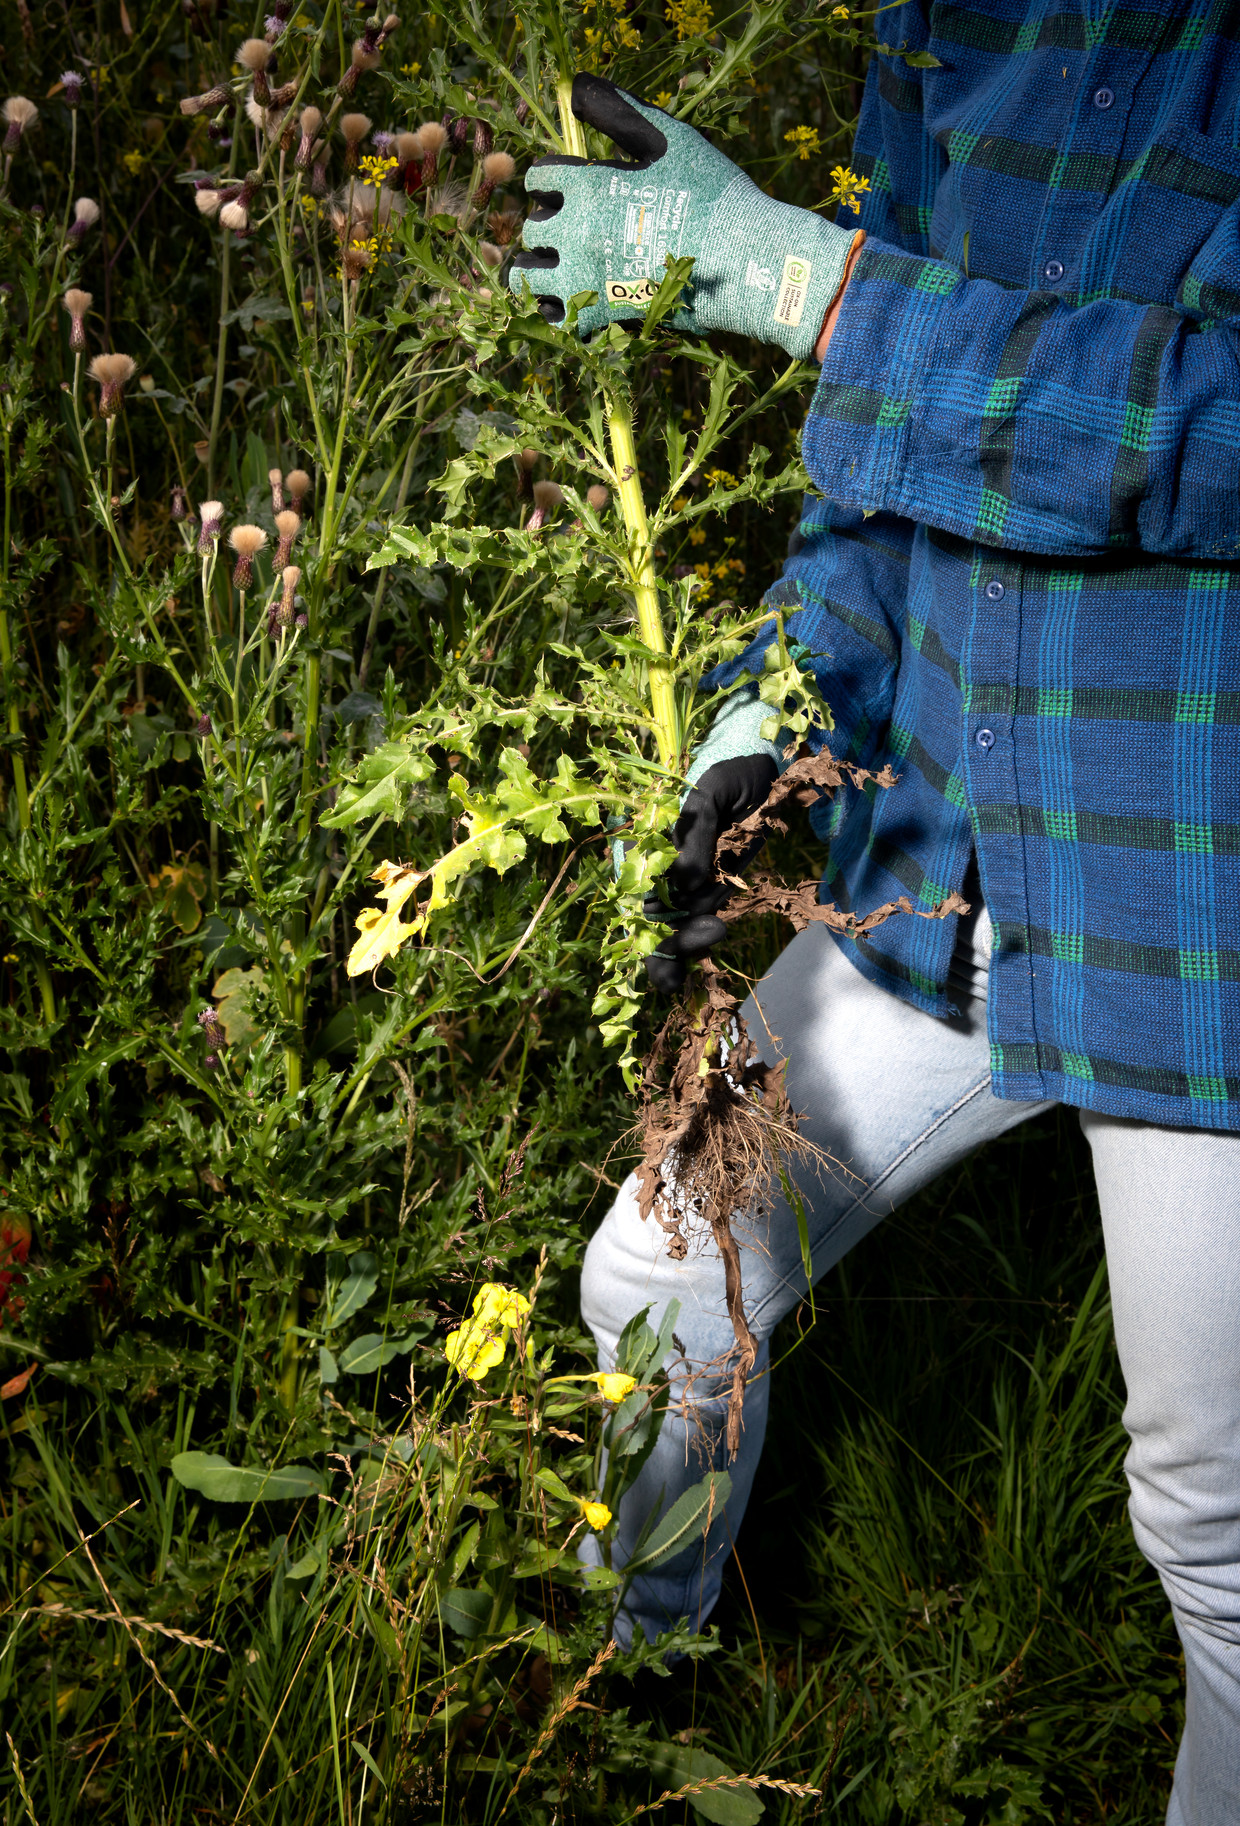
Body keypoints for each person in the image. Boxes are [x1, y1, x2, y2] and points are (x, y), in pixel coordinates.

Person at [509, 9, 1240, 1818]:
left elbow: (1209, 429)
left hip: (1190, 866)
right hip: (945, 822)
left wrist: (817, 287)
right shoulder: (956, 19)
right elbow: (874, 477)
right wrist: (780, 707)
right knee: (664, 1273)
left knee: (1213, 1523)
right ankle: (615, 1719)